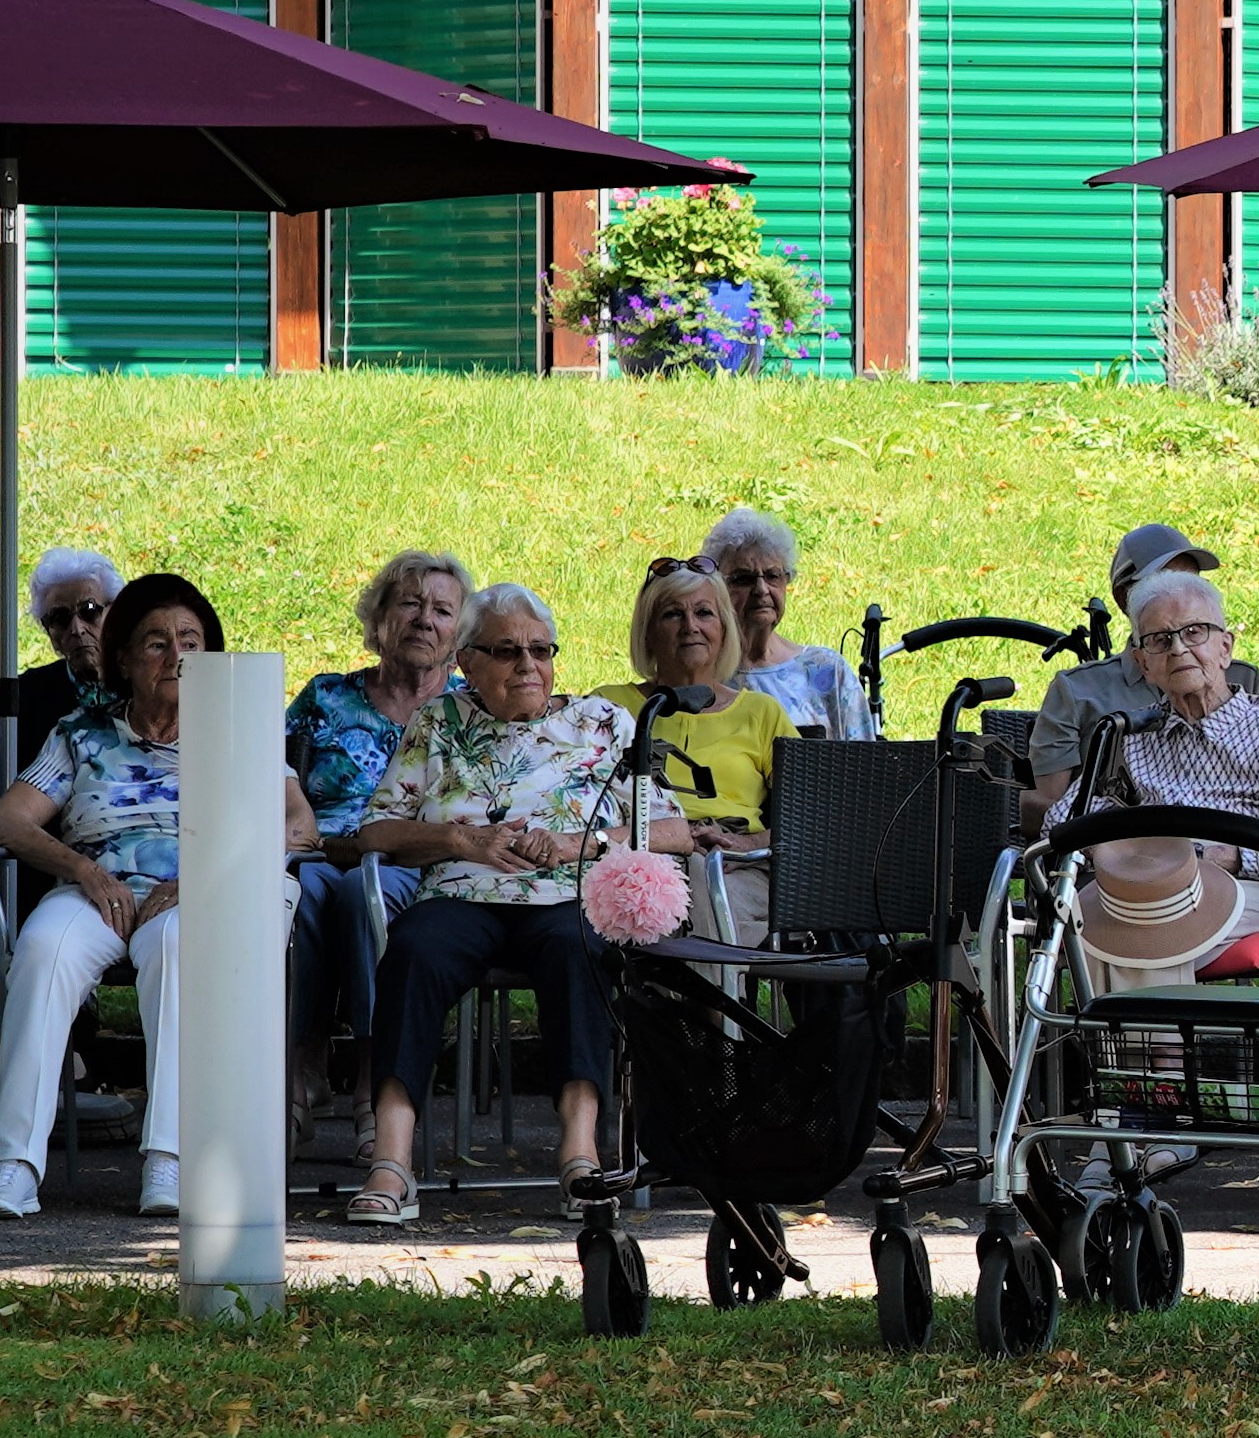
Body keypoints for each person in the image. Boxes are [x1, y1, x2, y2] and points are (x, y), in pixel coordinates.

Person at [335, 583, 655, 1226]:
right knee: (415, 951)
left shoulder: (601, 723)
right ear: (467, 663)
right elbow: (375, 831)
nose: (528, 665)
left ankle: (581, 1156)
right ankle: (392, 1163)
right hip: (462, 891)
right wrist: (461, 839)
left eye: (541, 650)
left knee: (581, 952)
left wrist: (575, 843)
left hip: (565, 895)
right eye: (507, 652)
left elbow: (665, 826)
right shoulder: (440, 722)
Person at [0, 572, 267, 1222]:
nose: (175, 656)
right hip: (98, 889)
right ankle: (13, 1166)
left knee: (178, 944)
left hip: (192, 895)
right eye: (155, 643)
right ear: (124, 659)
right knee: (43, 951)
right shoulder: (84, 731)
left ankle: (168, 1160)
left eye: (189, 641)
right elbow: (8, 821)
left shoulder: (234, 725)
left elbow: (295, 823)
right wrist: (82, 869)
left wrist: (203, 880)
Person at [1036, 573, 1259, 987]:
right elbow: (1062, 820)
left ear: (1225, 648)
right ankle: (1146, 1051)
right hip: (1154, 888)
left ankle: (1146, 1052)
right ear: (1143, 664)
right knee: (1099, 918)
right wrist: (1120, 854)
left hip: (1256, 886)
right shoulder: (1132, 737)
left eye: (1194, 632)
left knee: (1143, 927)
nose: (1178, 648)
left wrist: (1199, 857)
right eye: (1159, 639)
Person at [291, 548, 474, 1096]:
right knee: (301, 889)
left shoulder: (471, 708)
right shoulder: (327, 697)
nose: (424, 619)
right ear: (378, 619)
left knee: (361, 893)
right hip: (320, 850)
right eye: (410, 604)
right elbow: (272, 775)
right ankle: (303, 1065)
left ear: (460, 633)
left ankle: (378, 1078)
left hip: (420, 858)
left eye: (442, 611)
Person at [610, 558, 797, 937]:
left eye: (704, 613)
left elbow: (813, 818)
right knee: (661, 894)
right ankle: (709, 994)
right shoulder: (611, 707)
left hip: (734, 865)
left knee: (704, 893)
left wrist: (743, 844)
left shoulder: (760, 713)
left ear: (725, 630)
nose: (690, 626)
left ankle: (687, 994)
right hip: (636, 857)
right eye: (672, 615)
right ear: (647, 634)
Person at [1029, 523, 1226, 778]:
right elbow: (1043, 804)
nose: (1182, 597)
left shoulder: (1241, 680)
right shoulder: (1076, 691)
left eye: (1191, 582)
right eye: (1164, 584)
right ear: (1124, 598)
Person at [701, 507, 874, 742]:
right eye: (744, 578)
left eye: (772, 576)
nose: (761, 590)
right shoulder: (701, 672)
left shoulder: (826, 671)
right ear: (716, 587)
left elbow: (864, 765)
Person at [0, 547, 121, 786]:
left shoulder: (146, 681)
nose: (77, 629)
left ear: (115, 614)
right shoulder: (29, 695)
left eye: (89, 611)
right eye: (60, 618)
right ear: (49, 631)